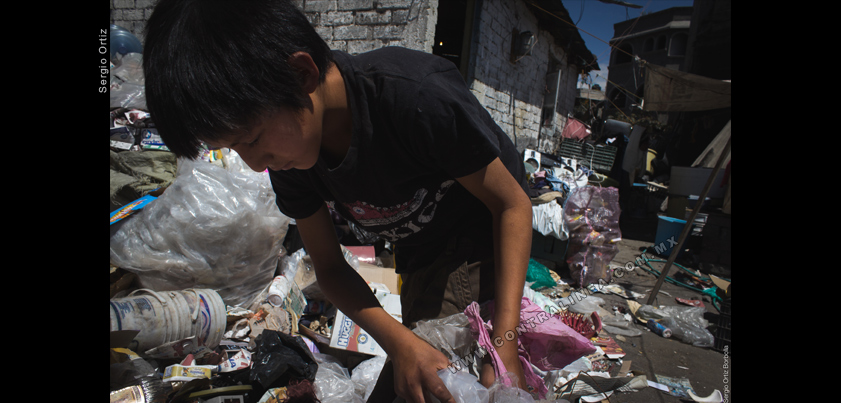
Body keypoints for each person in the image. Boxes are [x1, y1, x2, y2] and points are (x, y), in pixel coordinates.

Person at [142, 1, 533, 401]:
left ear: (301, 74)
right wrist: (399, 343)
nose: (256, 164)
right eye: (234, 149)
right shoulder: (292, 162)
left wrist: (504, 343)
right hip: (420, 256)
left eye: (252, 139)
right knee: (416, 367)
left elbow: (512, 205)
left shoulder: (414, 99)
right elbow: (328, 267)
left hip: (484, 241)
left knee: (442, 388)